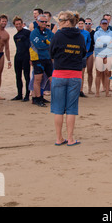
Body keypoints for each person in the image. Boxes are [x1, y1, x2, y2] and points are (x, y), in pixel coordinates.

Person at [49, 11, 86, 146]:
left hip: (59, 74)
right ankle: (70, 139)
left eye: (59, 20)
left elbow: (51, 51)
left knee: (58, 108)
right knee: (71, 108)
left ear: (66, 22)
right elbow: (83, 52)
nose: (58, 22)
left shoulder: (58, 35)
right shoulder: (80, 36)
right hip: (75, 75)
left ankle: (59, 138)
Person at [30, 14, 54, 107]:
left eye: (45, 21)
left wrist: (46, 42)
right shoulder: (34, 33)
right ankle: (37, 98)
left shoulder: (48, 32)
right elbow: (39, 45)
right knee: (38, 79)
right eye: (42, 21)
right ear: (37, 22)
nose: (44, 23)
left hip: (48, 58)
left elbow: (53, 42)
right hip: (38, 58)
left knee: (53, 79)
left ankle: (54, 98)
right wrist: (47, 43)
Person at [94, 18, 112, 97]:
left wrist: (103, 43)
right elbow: (97, 43)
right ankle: (97, 92)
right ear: (100, 24)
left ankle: (107, 91)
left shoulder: (111, 33)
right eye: (103, 23)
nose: (104, 25)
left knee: (108, 73)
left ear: (107, 24)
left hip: (108, 55)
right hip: (99, 54)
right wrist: (107, 43)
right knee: (98, 73)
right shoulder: (97, 33)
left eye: (105, 23)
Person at [12, 16, 31, 102]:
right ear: (14, 25)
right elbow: (18, 47)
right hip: (18, 57)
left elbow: (30, 46)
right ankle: (19, 94)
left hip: (26, 56)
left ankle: (27, 95)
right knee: (18, 76)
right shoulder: (15, 36)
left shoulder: (28, 33)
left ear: (22, 24)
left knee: (27, 76)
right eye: (17, 24)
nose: (18, 25)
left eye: (20, 24)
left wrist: (31, 58)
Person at [78, 18, 91, 97]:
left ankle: (81, 90)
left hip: (83, 55)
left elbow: (89, 41)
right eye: (79, 23)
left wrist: (87, 48)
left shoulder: (86, 33)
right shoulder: (75, 32)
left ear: (84, 24)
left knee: (82, 74)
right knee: (75, 73)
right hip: (75, 55)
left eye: (82, 23)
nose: (80, 25)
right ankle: (75, 90)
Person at [84, 17, 95, 94]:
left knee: (90, 71)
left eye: (89, 23)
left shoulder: (94, 33)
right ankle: (80, 89)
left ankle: (90, 89)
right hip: (82, 53)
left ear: (91, 24)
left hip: (90, 52)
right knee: (81, 72)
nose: (87, 25)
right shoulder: (81, 32)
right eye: (86, 23)